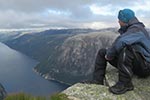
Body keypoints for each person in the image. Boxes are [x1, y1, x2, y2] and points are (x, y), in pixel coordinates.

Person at [83, 8, 150, 95]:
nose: (118, 22)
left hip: (145, 67)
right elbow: (119, 41)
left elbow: (122, 42)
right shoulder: (130, 30)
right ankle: (97, 81)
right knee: (102, 52)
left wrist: (110, 55)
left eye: (120, 20)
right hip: (136, 64)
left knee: (126, 49)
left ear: (125, 20)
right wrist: (108, 54)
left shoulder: (137, 30)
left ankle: (125, 83)